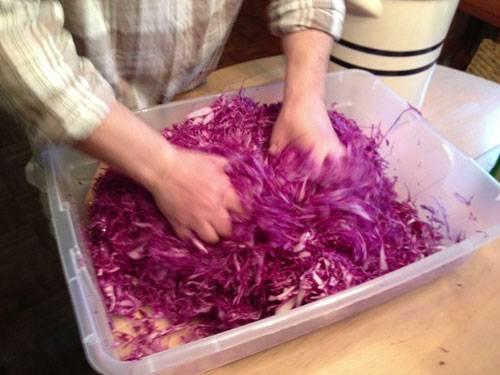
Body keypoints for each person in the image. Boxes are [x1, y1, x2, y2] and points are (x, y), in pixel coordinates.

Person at [0, 0, 346, 244]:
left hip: (191, 94)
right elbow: (13, 38)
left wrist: (305, 96)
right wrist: (163, 167)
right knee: (83, 236)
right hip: (84, 132)